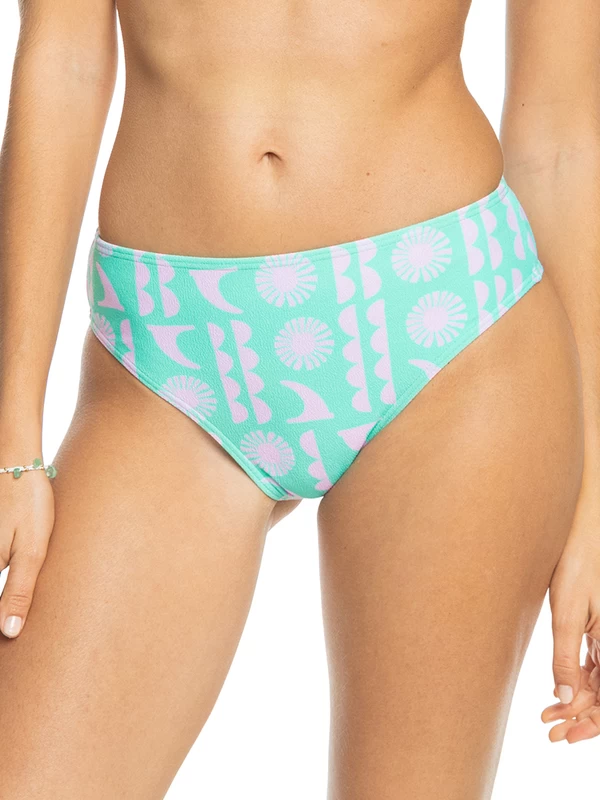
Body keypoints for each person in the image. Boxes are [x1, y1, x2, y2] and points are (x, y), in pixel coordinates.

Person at [0, 0, 598, 796]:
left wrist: (593, 499)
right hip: (168, 351)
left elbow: (560, 141)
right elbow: (63, 60)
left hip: (448, 331)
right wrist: (12, 444)